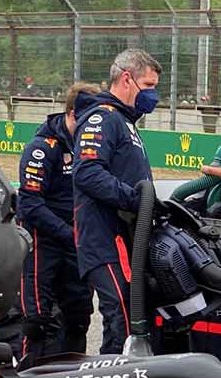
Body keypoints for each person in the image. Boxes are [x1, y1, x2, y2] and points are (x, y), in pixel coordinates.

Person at [72, 48, 160, 355]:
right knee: (123, 313)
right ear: (127, 78)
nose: (153, 95)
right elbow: (87, 172)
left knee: (136, 314)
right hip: (104, 237)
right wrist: (136, 199)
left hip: (125, 237)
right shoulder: (102, 118)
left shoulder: (126, 121)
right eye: (148, 86)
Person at [17, 83, 99, 363]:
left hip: (77, 244)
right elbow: (28, 204)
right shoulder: (42, 147)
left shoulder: (91, 146)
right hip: (43, 241)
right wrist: (68, 233)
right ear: (73, 114)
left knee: (79, 315)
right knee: (37, 319)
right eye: (88, 120)